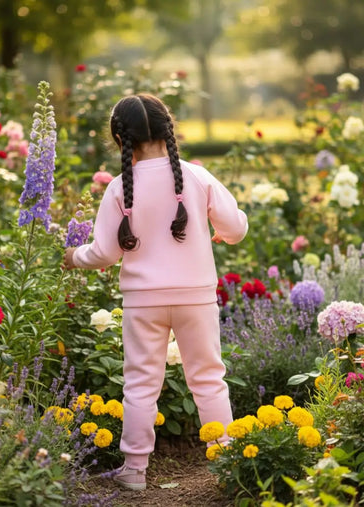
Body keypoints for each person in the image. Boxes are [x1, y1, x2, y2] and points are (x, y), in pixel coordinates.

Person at [63, 93, 248, 491]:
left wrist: (72, 257)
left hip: (142, 303)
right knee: (209, 380)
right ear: (169, 129)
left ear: (119, 138)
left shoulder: (118, 188)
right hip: (195, 297)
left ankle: (134, 470)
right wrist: (221, 231)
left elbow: (104, 253)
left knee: (141, 384)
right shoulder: (197, 177)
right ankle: (231, 460)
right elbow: (235, 227)